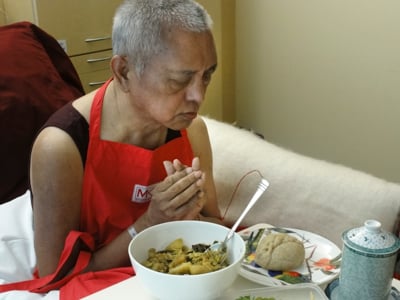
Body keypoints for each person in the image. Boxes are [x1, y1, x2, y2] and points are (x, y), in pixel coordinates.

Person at [29, 0, 221, 281]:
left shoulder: (192, 131)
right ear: (124, 72)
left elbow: (217, 225)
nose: (198, 97)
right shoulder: (61, 147)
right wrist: (150, 222)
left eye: (207, 76)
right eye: (181, 80)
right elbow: (56, 276)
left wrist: (192, 217)